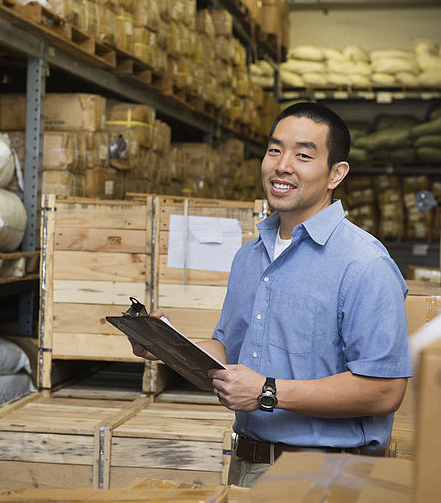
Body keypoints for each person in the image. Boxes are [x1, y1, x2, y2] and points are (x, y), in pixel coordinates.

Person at [129, 101, 413, 488]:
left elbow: (384, 389)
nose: (282, 165)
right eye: (275, 150)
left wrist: (267, 392)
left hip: (328, 477)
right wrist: (166, 345)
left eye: (303, 155)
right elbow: (229, 350)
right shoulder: (249, 256)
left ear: (336, 174)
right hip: (246, 465)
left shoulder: (363, 264)